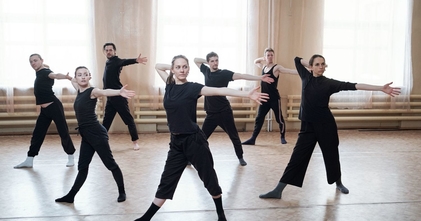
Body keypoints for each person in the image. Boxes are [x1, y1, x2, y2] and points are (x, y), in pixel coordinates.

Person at [134, 55, 269, 221]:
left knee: (209, 178)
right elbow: (157, 66)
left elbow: (219, 90)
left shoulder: (193, 88)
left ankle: (220, 214)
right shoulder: (169, 85)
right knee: (166, 181)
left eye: (185, 67)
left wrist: (246, 95)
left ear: (189, 69)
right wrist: (173, 67)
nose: (182, 70)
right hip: (176, 143)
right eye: (178, 67)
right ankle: (145, 219)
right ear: (173, 69)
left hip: (194, 141)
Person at [259, 54, 401, 199]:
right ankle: (278, 190)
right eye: (318, 64)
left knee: (331, 155)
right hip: (307, 127)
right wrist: (309, 62)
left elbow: (354, 86)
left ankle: (338, 183)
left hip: (325, 125)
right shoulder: (305, 76)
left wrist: (380, 88)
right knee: (297, 157)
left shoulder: (329, 83)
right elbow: (296, 59)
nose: (321, 67)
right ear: (311, 67)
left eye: (323, 64)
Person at [55, 66, 134, 203]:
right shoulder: (78, 89)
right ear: (76, 77)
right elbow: (73, 81)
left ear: (90, 76)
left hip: (97, 134)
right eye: (79, 75)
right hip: (86, 136)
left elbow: (104, 91)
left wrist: (118, 92)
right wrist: (68, 77)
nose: (83, 77)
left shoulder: (92, 91)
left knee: (110, 164)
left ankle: (122, 191)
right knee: (82, 167)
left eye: (86, 74)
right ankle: (71, 196)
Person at [194, 52, 274, 166]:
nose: (215, 63)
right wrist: (206, 62)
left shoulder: (224, 73)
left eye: (216, 60)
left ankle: (240, 157)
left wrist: (260, 77)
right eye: (212, 61)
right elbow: (196, 59)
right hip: (211, 114)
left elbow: (241, 75)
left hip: (224, 112)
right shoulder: (206, 71)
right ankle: (191, 158)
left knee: (234, 136)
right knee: (202, 138)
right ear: (208, 62)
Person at [14, 54, 76, 169]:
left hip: (54, 107)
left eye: (35, 60)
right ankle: (29, 160)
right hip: (44, 110)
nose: (33, 63)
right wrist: (44, 66)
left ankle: (71, 156)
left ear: (41, 60)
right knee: (37, 134)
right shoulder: (39, 71)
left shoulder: (45, 72)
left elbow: (55, 75)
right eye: (31, 61)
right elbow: (46, 70)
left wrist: (67, 77)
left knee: (63, 132)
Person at [242, 48, 298, 145]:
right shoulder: (263, 67)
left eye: (272, 55)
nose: (270, 57)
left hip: (274, 99)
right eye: (268, 55)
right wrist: (263, 58)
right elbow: (256, 61)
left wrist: (303, 71)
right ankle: (253, 139)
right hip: (264, 98)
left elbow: (288, 71)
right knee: (259, 118)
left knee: (279, 118)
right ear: (265, 56)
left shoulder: (276, 68)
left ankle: (282, 137)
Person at [102, 42, 148, 150]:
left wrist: (136, 60)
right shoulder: (108, 62)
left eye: (111, 50)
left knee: (128, 120)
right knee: (106, 122)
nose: (109, 52)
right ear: (105, 52)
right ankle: (101, 142)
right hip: (110, 97)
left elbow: (124, 61)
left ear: (115, 51)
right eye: (107, 50)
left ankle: (135, 142)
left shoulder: (116, 61)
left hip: (119, 96)